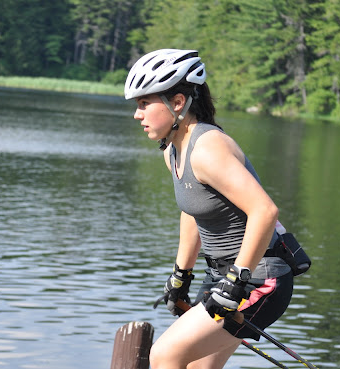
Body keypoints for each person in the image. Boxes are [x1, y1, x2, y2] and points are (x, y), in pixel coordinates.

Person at [124, 49, 294, 369]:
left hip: (259, 277)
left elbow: (264, 211)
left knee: (165, 355)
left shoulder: (207, 148)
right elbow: (193, 211)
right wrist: (181, 275)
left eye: (145, 103)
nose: (138, 114)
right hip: (221, 274)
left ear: (177, 102)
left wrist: (236, 281)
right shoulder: (174, 151)